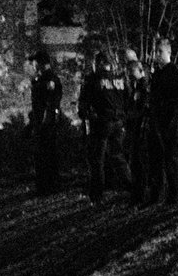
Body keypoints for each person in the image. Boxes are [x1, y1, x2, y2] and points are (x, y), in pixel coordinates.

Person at [76, 49, 130, 202]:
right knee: (118, 156)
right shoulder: (120, 79)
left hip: (101, 123)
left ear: (99, 63)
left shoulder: (93, 79)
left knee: (97, 159)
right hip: (118, 122)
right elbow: (127, 100)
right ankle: (130, 187)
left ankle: (97, 194)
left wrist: (85, 115)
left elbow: (84, 102)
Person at [143, 38, 178, 206]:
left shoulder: (176, 71)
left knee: (173, 160)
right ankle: (156, 195)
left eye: (160, 52)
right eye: (155, 52)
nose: (157, 55)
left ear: (169, 53)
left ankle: (174, 196)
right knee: (156, 160)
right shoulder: (157, 74)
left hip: (172, 123)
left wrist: (175, 121)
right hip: (157, 123)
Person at [29, 51, 65, 195]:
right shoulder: (43, 78)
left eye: (34, 62)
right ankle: (46, 185)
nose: (33, 65)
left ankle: (47, 186)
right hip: (43, 122)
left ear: (40, 63)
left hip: (46, 124)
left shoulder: (49, 79)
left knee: (46, 154)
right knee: (45, 154)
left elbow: (50, 101)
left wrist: (44, 119)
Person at [120, 47, 152, 203]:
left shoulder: (144, 87)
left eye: (132, 73)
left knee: (140, 163)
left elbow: (144, 109)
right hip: (134, 127)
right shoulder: (136, 86)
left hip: (141, 129)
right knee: (135, 161)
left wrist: (131, 115)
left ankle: (140, 193)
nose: (130, 77)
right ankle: (137, 191)